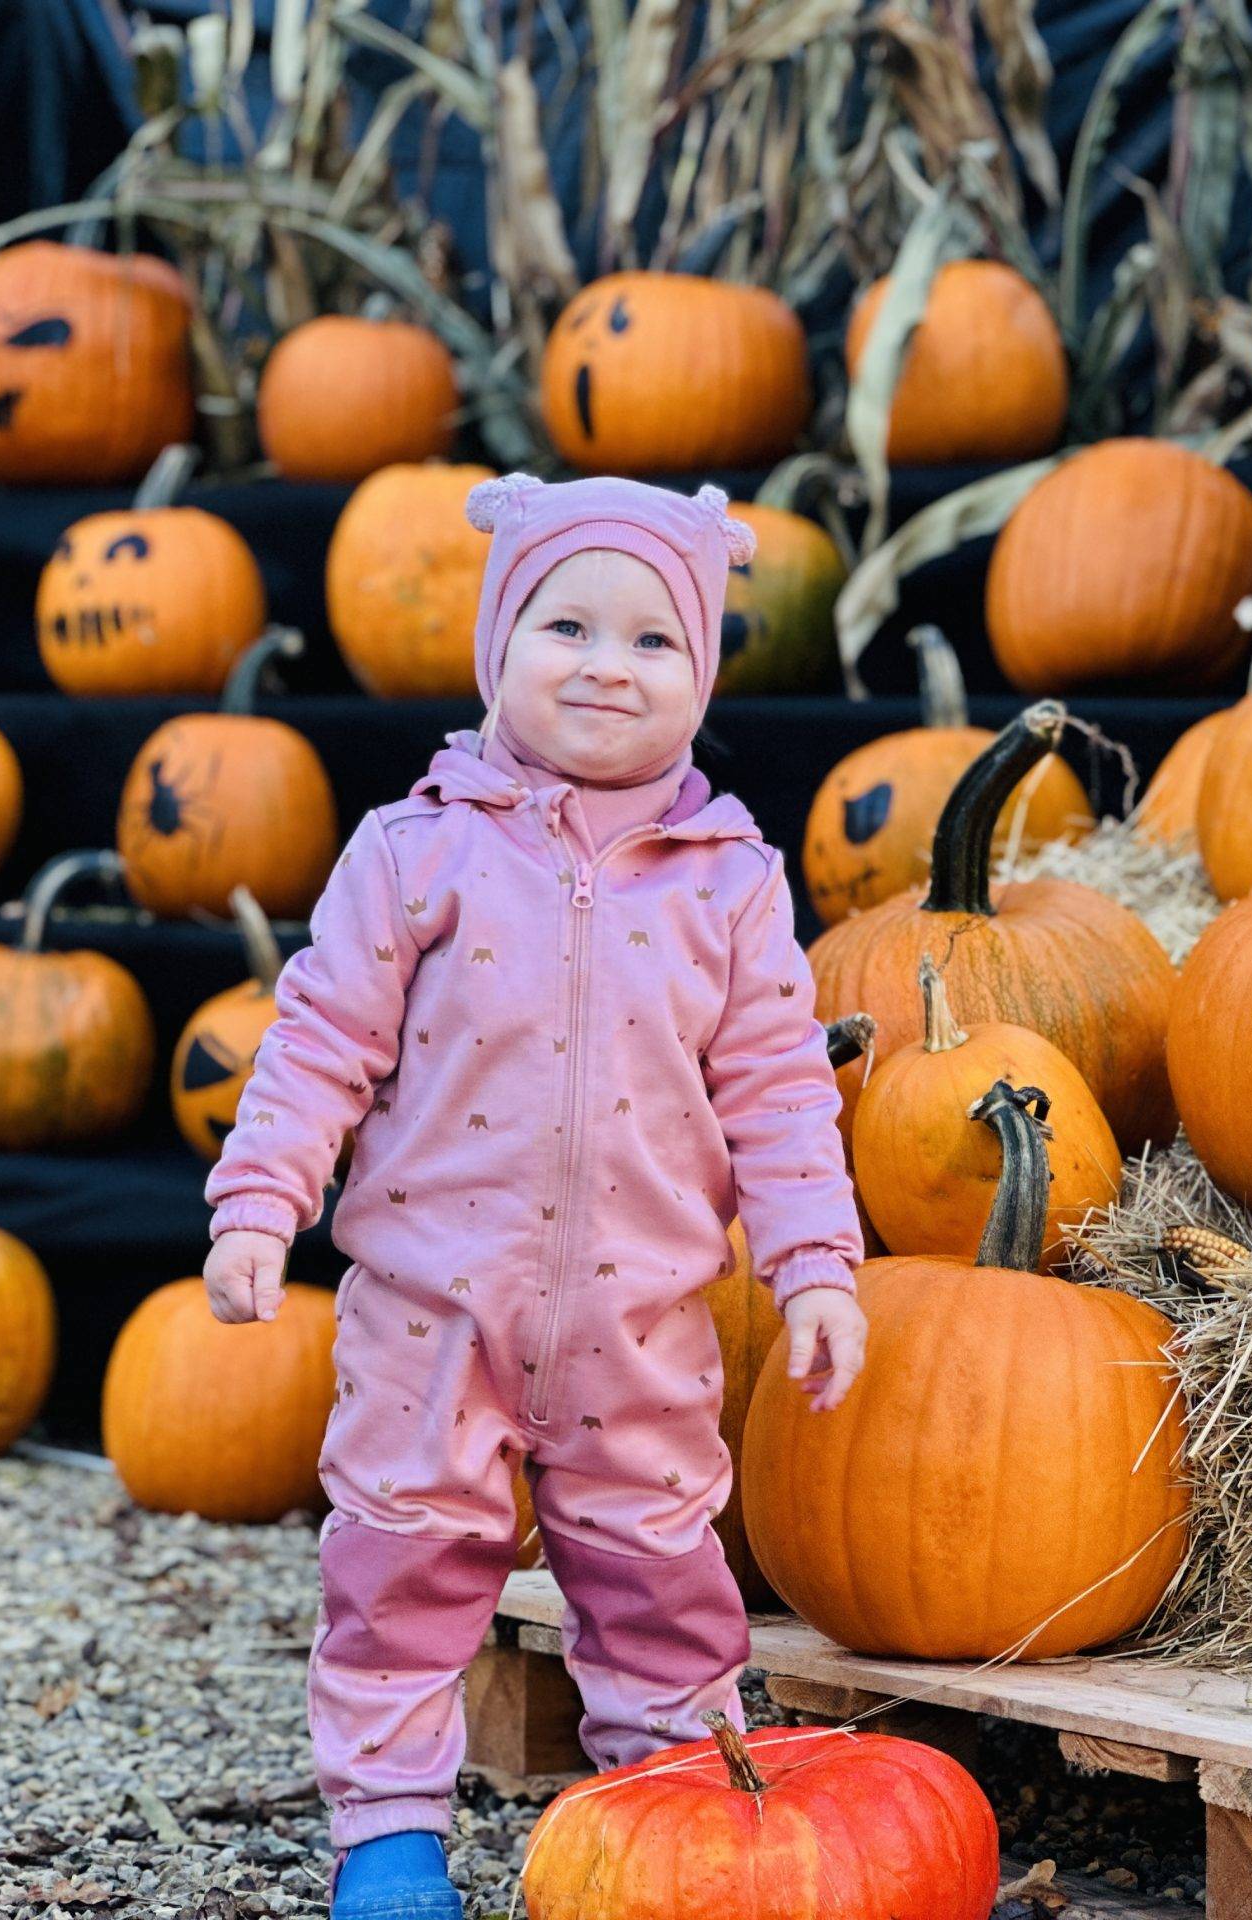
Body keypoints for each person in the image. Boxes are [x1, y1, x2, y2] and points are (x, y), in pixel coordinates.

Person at [199, 472, 868, 1919]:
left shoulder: (731, 881)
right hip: (433, 1313)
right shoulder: (413, 851)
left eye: (652, 640)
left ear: (702, 671)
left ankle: (670, 1829)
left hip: (640, 1322)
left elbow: (778, 1087)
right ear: (498, 642)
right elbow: (321, 1042)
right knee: (401, 1571)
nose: (606, 666)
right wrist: (259, 1203)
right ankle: (386, 1839)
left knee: (658, 1584)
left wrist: (816, 1262)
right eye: (567, 624)